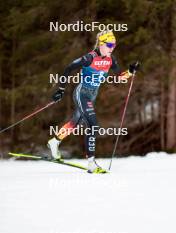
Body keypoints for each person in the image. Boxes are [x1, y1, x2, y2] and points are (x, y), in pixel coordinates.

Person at [48, 30, 139, 173]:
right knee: (93, 124)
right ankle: (91, 163)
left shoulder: (110, 60)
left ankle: (54, 141)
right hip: (82, 93)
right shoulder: (90, 57)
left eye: (114, 45)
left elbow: (120, 77)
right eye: (109, 44)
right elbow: (68, 68)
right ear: (101, 44)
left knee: (75, 122)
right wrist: (60, 89)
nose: (112, 47)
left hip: (92, 95)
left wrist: (130, 71)